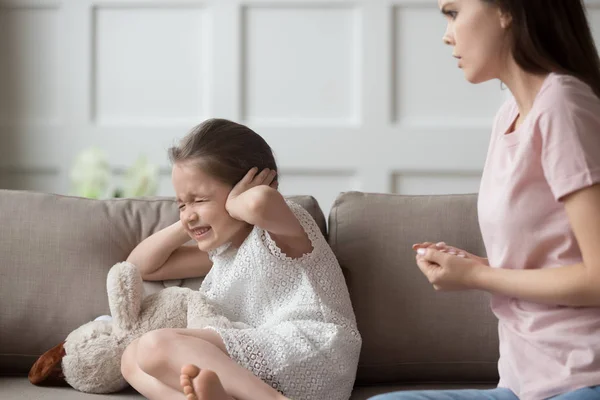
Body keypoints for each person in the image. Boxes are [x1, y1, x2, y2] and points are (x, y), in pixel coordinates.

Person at [371, 1, 600, 399]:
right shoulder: (510, 113)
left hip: (582, 378)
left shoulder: (563, 105)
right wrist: (477, 266)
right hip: (522, 383)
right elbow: (553, 257)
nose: (447, 34)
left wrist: (478, 277)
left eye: (454, 12)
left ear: (507, 10)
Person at [120, 118, 361, 400]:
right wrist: (187, 220)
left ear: (245, 187)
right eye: (181, 204)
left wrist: (234, 204)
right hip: (257, 368)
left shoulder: (286, 229)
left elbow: (260, 204)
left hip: (313, 349)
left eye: (199, 199)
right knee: (130, 359)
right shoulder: (222, 255)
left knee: (153, 345)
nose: (187, 213)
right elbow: (139, 267)